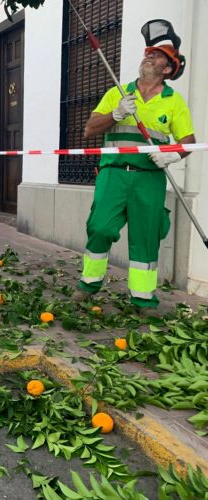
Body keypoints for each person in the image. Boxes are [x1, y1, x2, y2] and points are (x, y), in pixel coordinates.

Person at [73, 20, 195, 309]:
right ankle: (89, 285)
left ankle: (143, 300)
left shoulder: (173, 102)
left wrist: (171, 155)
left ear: (168, 68)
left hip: (149, 179)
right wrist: (115, 115)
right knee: (100, 228)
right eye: (148, 51)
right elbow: (89, 129)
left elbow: (188, 140)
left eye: (157, 54)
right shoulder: (118, 92)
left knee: (146, 238)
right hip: (113, 174)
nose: (148, 55)